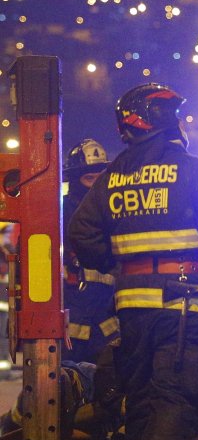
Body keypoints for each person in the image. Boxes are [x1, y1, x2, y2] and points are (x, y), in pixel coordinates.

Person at [68, 82, 198, 440]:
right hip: (183, 306)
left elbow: (81, 232)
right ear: (165, 120)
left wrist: (119, 265)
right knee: (177, 395)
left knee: (140, 400)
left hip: (132, 311)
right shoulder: (193, 171)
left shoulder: (112, 177)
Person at [62, 138, 119, 365]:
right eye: (89, 179)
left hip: (107, 319)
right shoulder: (59, 214)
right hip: (70, 318)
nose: (96, 187)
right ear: (75, 180)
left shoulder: (116, 213)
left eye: (100, 179)